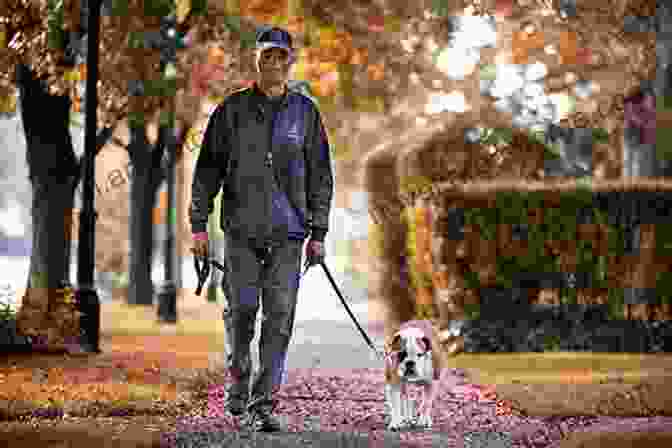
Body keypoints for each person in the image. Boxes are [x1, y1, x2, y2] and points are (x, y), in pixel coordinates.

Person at [190, 26, 334, 432]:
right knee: (242, 311)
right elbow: (207, 171)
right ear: (256, 60)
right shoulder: (232, 111)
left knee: (280, 317)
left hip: (289, 235)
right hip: (240, 231)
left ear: (290, 62)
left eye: (281, 57)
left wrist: (318, 233)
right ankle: (237, 393)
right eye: (267, 56)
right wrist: (198, 226)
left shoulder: (305, 114)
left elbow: (321, 176)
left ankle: (263, 403)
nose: (274, 63)